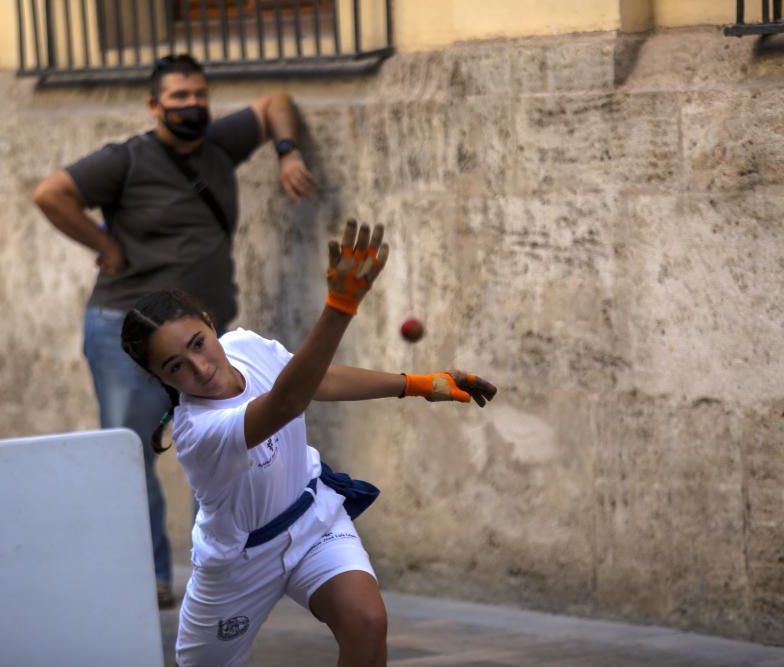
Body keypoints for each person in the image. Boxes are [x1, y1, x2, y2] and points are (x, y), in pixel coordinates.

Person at [120, 220, 497, 666]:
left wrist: (416, 383)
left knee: (367, 623)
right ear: (160, 378)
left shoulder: (244, 346)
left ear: (210, 323)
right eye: (175, 366)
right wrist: (340, 307)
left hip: (312, 519)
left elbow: (313, 379)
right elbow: (286, 403)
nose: (199, 367)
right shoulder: (196, 431)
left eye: (199, 344)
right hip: (238, 563)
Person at [32, 54, 316, 608]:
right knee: (131, 453)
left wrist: (287, 152)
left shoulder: (218, 145)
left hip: (205, 340)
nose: (190, 105)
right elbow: (50, 193)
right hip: (129, 337)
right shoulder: (126, 160)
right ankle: (152, 579)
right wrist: (105, 246)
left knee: (229, 452)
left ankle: (230, 566)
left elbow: (276, 103)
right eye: (177, 97)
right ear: (154, 105)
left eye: (198, 95)